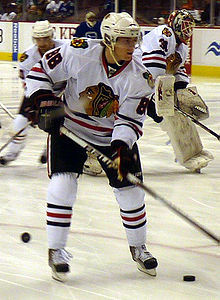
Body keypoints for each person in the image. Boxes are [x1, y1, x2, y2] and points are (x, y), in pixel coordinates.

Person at [25, 12, 159, 282]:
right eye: (125, 41)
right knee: (62, 185)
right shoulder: (78, 52)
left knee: (131, 192)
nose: (132, 46)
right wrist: (43, 100)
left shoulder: (140, 77)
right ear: (109, 40)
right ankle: (57, 251)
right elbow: (40, 73)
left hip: (111, 135)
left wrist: (122, 147)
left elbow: (130, 119)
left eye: (134, 40)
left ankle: (138, 247)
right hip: (70, 128)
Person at [140, 9, 213, 172]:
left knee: (174, 117)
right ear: (175, 24)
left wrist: (180, 94)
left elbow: (177, 74)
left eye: (191, 27)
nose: (188, 31)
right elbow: (154, 68)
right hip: (139, 81)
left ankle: (190, 153)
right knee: (128, 119)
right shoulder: (165, 33)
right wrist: (159, 93)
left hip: (152, 83)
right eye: (185, 26)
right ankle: (98, 151)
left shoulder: (182, 47)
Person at [0, 20, 68, 166]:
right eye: (39, 39)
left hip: (65, 92)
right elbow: (28, 84)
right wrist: (37, 104)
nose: (42, 43)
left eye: (45, 38)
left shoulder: (66, 48)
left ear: (52, 36)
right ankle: (11, 154)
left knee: (60, 125)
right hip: (36, 93)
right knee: (19, 122)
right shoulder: (28, 57)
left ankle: (49, 150)